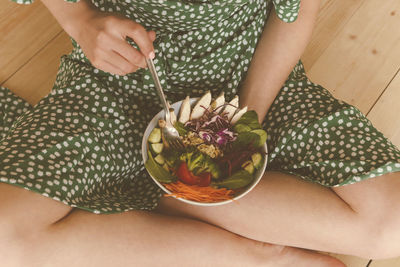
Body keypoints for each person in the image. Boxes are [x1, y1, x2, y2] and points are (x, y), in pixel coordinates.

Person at [1, 0, 400, 266]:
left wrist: (244, 122)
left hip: (246, 76)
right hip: (112, 85)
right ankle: (255, 253)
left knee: (391, 227)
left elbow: (294, 16)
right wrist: (80, 20)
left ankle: (180, 202)